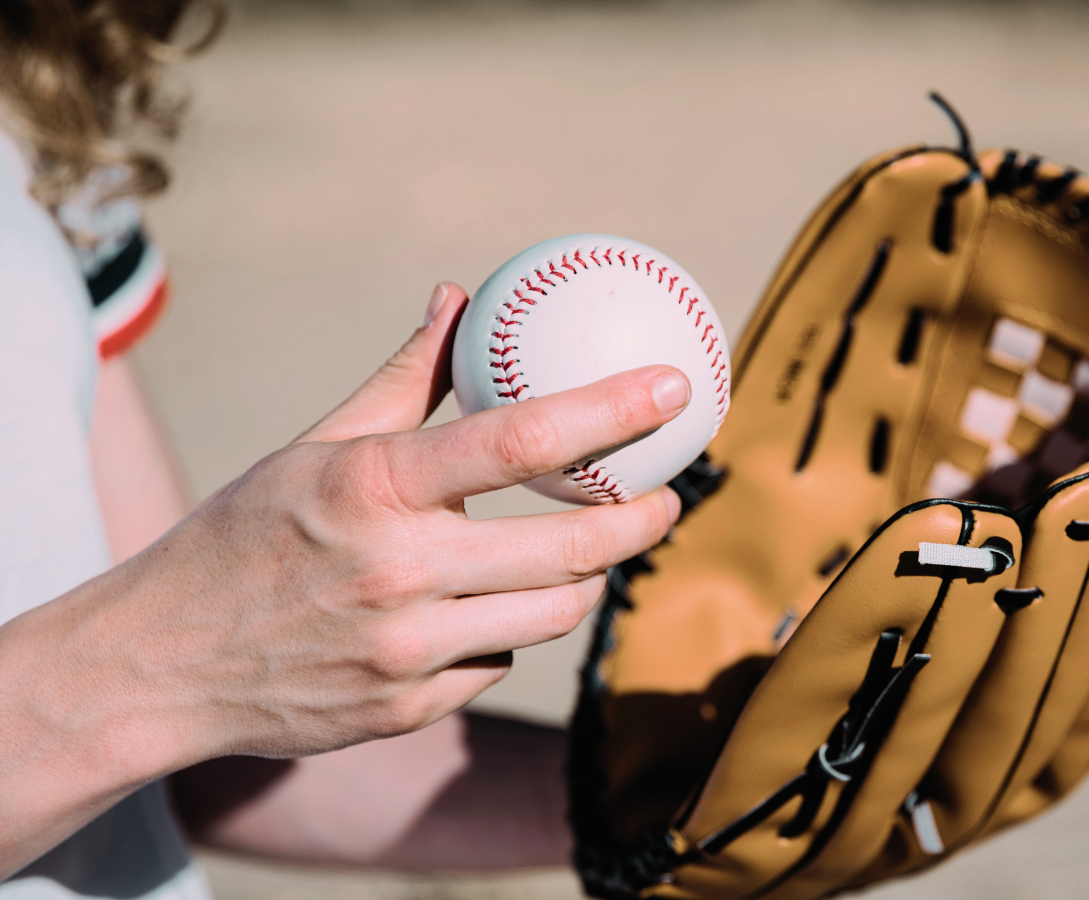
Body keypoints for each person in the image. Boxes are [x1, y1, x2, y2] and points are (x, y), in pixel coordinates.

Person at [0, 2, 687, 895]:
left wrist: (687, 796)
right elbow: (167, 675)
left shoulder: (35, 87)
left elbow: (198, 755)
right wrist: (174, 660)